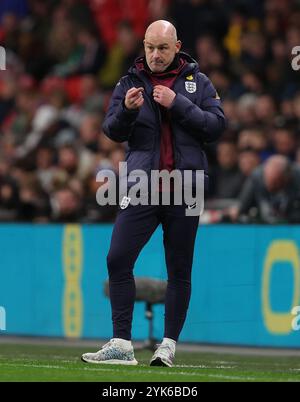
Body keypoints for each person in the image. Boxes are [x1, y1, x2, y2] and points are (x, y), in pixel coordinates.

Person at [81, 20, 225, 367]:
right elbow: (111, 131)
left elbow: (217, 126)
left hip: (185, 187)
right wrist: (128, 111)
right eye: (149, 47)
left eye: (162, 48)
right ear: (143, 46)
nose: (155, 55)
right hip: (141, 186)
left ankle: (168, 346)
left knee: (178, 268)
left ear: (177, 47)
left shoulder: (198, 82)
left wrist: (178, 104)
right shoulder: (129, 82)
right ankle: (121, 343)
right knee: (117, 258)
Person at [229, 155, 300, 224]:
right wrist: (235, 211)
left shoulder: (297, 176)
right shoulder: (257, 177)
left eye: (275, 182)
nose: (269, 186)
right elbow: (241, 206)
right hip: (265, 227)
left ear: (286, 177)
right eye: (266, 181)